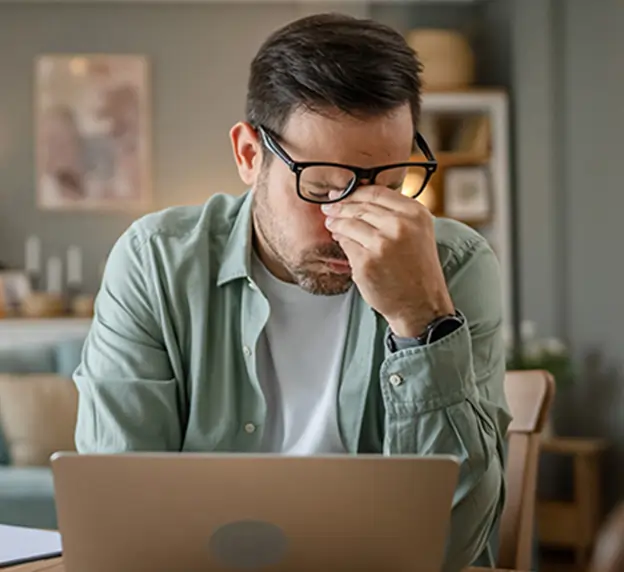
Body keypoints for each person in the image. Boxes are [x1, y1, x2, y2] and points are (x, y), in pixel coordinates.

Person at [73, 12, 511, 571]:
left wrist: (421, 321)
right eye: (322, 187)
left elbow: (453, 549)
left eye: (389, 186)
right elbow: (120, 519)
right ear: (249, 155)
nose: (349, 221)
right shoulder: (155, 262)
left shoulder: (454, 265)